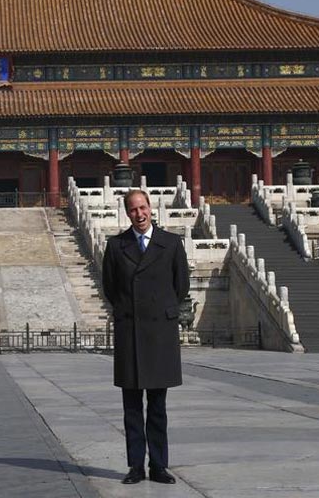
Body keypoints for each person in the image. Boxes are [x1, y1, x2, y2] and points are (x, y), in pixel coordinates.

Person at [102, 188, 189, 485]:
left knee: (157, 406)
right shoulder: (117, 246)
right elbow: (110, 288)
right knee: (131, 407)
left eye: (142, 208)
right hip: (130, 331)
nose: (139, 214)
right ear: (127, 213)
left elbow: (181, 286)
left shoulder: (171, 243)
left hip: (159, 334)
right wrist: (130, 311)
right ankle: (136, 466)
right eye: (132, 210)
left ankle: (159, 465)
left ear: (151, 208)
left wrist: (160, 310)